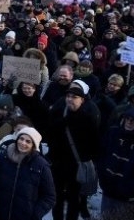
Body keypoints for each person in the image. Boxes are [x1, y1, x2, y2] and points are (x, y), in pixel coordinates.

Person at [47, 79, 101, 220]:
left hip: (77, 165)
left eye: (74, 97)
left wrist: (86, 158)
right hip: (58, 163)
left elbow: (94, 143)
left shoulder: (88, 118)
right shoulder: (60, 112)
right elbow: (50, 133)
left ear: (82, 100)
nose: (70, 99)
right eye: (68, 96)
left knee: (74, 198)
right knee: (57, 197)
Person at [0, 127, 55, 220]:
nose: (23, 143)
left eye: (28, 141)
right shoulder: (4, 156)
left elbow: (49, 196)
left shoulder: (41, 165)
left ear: (33, 145)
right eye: (21, 139)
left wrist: (35, 214)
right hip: (0, 213)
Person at [97, 108, 134, 215]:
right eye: (127, 118)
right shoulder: (113, 134)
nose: (129, 122)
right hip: (108, 191)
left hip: (129, 198)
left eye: (133, 120)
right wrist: (103, 178)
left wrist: (129, 188)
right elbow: (101, 156)